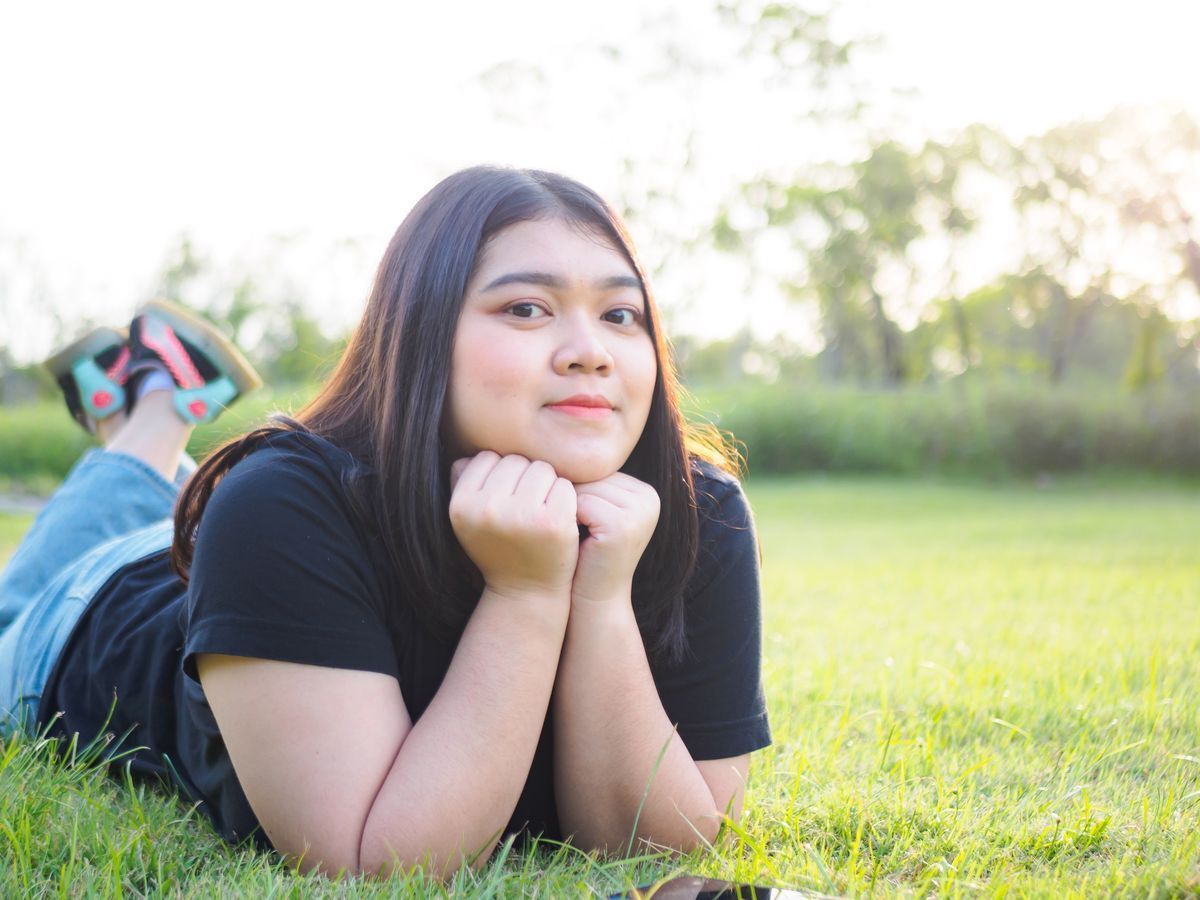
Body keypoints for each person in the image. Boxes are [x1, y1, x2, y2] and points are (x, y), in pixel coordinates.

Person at [0, 166, 770, 881]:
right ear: (422, 330)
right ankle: (153, 414)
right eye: (526, 308)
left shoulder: (701, 514)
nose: (591, 352)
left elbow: (669, 846)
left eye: (620, 313)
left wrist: (599, 601)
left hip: (238, 561)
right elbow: (378, 863)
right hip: (90, 612)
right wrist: (526, 595)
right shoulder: (276, 507)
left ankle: (142, 412)